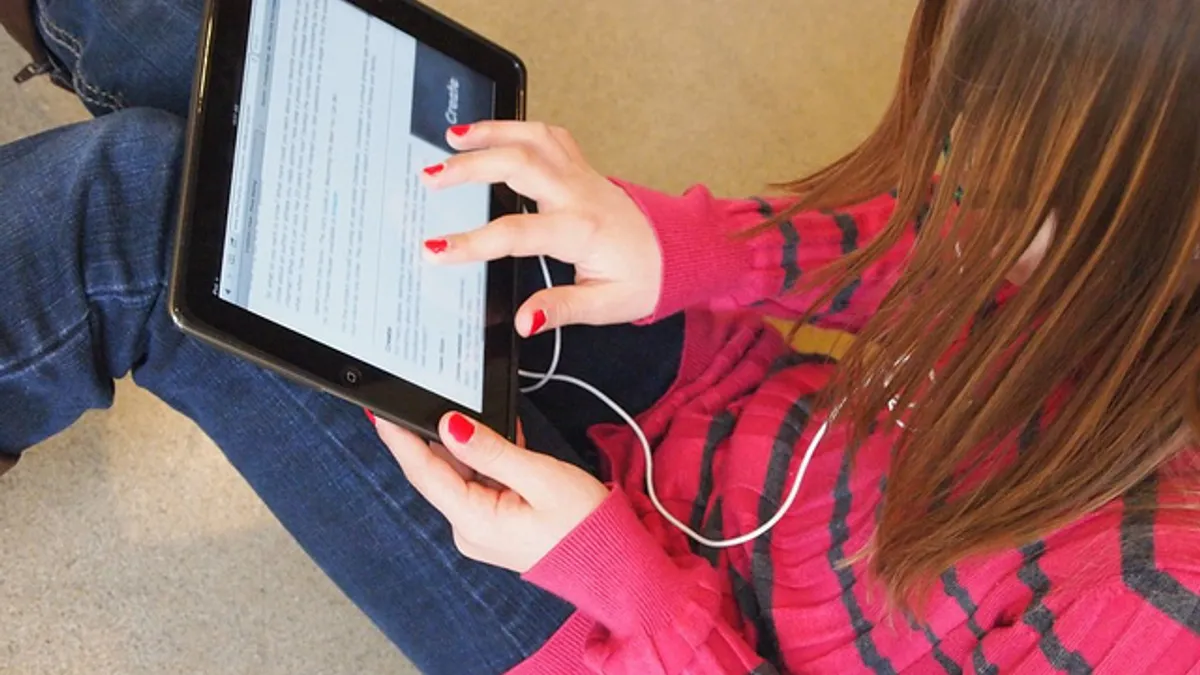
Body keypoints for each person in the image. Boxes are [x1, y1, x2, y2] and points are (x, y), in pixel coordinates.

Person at [2, 0, 1198, 673]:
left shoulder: (1159, 612)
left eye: (1023, 184)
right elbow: (938, 264)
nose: (957, 192)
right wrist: (690, 251)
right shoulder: (1125, 281)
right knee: (237, 35)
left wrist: (617, 572)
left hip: (619, 629)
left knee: (147, 218)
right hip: (713, 405)